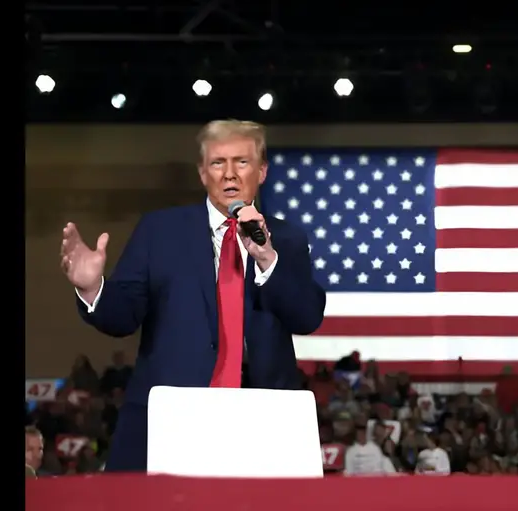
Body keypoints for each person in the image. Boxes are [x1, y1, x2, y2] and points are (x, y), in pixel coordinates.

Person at [60, 119, 326, 472]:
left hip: (261, 417)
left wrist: (267, 259)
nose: (229, 174)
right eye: (218, 163)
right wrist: (92, 287)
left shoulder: (287, 239)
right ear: (203, 173)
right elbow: (122, 317)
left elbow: (306, 317)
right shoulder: (160, 231)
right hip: (174, 413)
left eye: (241, 162)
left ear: (261, 171)